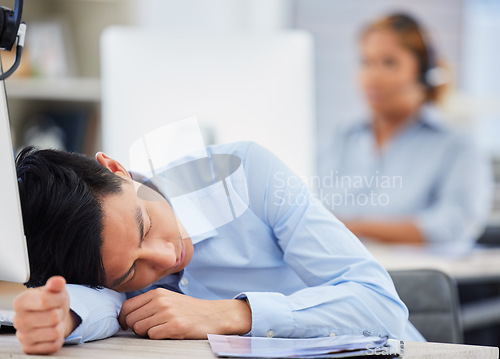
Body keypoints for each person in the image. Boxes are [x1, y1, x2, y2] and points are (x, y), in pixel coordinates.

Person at [13, 141, 424, 355]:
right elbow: (100, 303)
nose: (164, 258)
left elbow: (382, 308)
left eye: (146, 225)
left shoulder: (247, 172)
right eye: (129, 274)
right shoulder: (99, 258)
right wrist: (63, 317)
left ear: (116, 169)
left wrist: (232, 313)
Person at [317, 13, 492, 246]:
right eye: (365, 62)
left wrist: (355, 228)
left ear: (422, 72)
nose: (372, 76)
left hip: (417, 277)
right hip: (344, 274)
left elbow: (453, 225)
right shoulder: (342, 139)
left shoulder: (456, 147)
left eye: (389, 63)